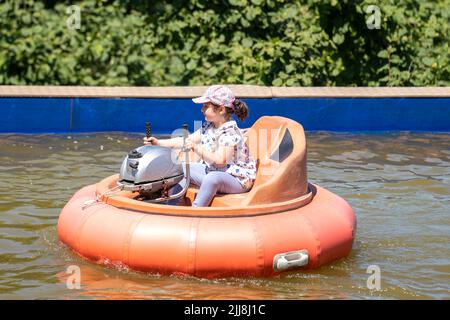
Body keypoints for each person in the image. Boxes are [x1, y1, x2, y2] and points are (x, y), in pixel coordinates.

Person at [143, 85, 257, 207]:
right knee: (180, 167)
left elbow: (220, 161)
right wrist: (159, 142)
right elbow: (186, 140)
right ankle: (172, 204)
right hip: (216, 171)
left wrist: (196, 148)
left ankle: (196, 209)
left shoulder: (229, 132)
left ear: (221, 110)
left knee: (212, 178)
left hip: (237, 179)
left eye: (206, 106)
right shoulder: (209, 126)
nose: (202, 109)